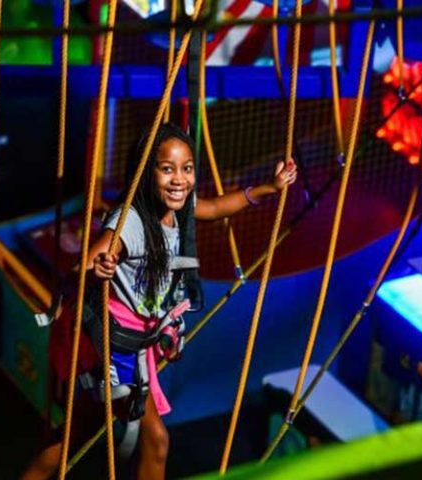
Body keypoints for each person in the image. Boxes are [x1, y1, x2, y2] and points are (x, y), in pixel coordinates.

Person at [21, 122, 297, 480]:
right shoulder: (131, 221)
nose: (179, 179)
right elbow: (85, 266)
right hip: (112, 344)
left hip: (135, 340)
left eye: (186, 169)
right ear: (145, 172)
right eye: (167, 169)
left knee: (77, 436)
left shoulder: (177, 208)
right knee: (157, 440)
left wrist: (268, 188)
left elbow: (214, 208)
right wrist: (98, 271)